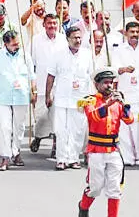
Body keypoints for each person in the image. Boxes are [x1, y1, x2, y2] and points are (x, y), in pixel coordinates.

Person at [76, 67, 135, 217]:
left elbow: (129, 120)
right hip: (96, 151)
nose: (109, 86)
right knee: (95, 188)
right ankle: (83, 206)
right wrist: (108, 105)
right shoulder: (90, 100)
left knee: (114, 189)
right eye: (105, 83)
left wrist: (124, 104)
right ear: (97, 84)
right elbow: (93, 116)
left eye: (111, 82)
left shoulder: (117, 100)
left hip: (113, 150)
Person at [0, 30, 36, 171]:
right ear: (5, 44)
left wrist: (34, 92)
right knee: (5, 127)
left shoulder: (26, 55)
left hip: (22, 96)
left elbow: (32, 77)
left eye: (18, 43)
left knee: (19, 127)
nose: (17, 46)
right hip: (4, 97)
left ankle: (16, 152)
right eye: (14, 45)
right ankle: (5, 157)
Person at [46, 26, 92, 170]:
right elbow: (51, 76)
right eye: (74, 38)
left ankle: (73, 158)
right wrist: (48, 95)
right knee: (61, 130)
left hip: (80, 99)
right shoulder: (58, 54)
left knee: (77, 131)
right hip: (62, 98)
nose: (78, 40)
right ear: (67, 39)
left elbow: (92, 77)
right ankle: (61, 159)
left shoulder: (87, 55)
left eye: (79, 37)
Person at [111, 20, 139, 166]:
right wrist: (123, 69)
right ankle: (127, 157)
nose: (134, 35)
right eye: (132, 32)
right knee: (126, 126)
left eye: (137, 32)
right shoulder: (119, 50)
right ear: (126, 33)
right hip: (126, 92)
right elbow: (114, 70)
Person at [30, 13, 66, 156]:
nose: (52, 26)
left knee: (58, 116)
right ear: (44, 24)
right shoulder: (36, 40)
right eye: (49, 23)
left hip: (60, 85)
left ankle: (56, 144)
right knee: (42, 116)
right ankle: (38, 137)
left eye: (55, 23)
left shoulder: (64, 40)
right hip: (41, 83)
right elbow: (30, 63)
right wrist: (31, 85)